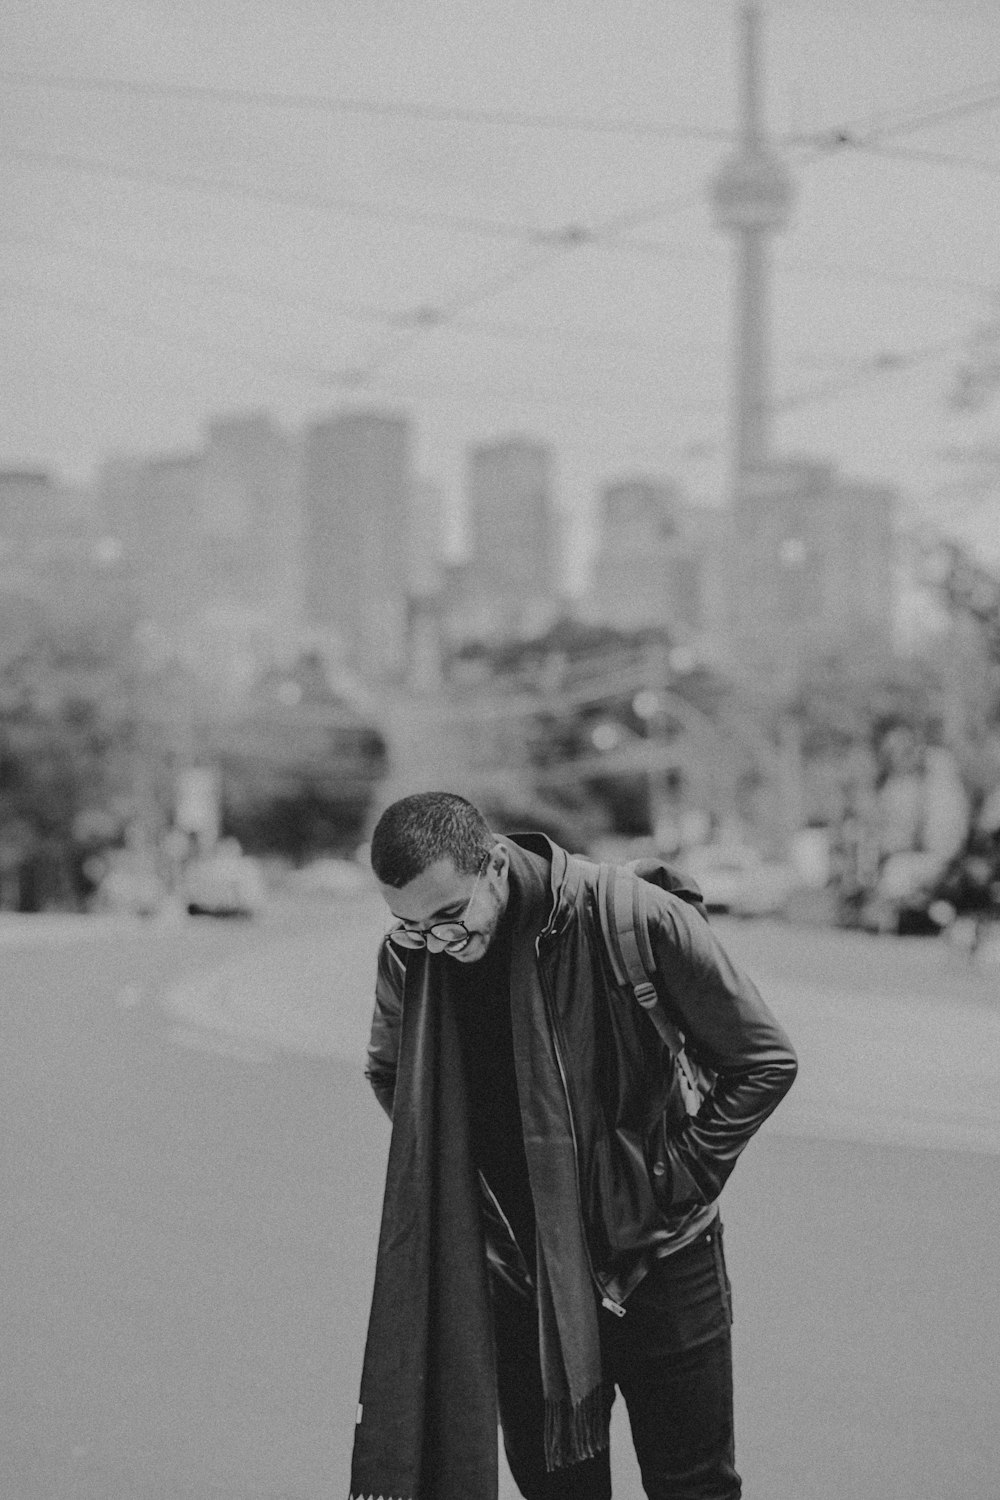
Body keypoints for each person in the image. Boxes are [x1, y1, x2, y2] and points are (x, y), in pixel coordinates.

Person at [350, 792, 797, 1500]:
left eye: (449, 917)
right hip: (524, 1280)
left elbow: (763, 1062)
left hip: (662, 1263)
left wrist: (665, 1183)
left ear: (494, 863)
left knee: (697, 1490)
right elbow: (388, 1071)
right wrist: (460, 1182)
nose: (438, 942)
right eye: (410, 927)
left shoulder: (628, 916)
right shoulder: (412, 960)